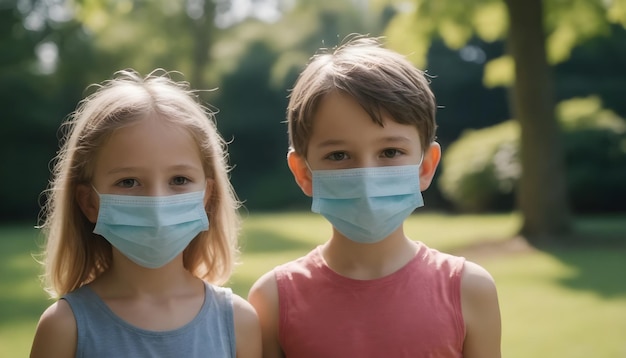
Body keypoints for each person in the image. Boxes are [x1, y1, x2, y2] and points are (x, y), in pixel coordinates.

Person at [248, 35, 502, 358]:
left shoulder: (469, 291)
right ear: (303, 172)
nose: (367, 175)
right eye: (339, 156)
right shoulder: (273, 302)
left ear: (425, 166)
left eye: (390, 151)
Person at [30, 69, 261, 358]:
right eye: (128, 182)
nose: (157, 203)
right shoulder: (64, 328)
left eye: (179, 180)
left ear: (207, 195)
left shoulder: (239, 323)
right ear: (89, 202)